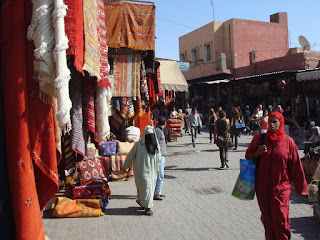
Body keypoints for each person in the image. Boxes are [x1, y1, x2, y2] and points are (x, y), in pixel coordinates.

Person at [245, 111, 308, 239]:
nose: (272, 125)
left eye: (275, 121)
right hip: (262, 188)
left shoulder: (288, 142)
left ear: (281, 123)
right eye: (270, 121)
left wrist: (302, 188)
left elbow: (296, 166)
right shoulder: (259, 139)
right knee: (267, 219)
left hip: (281, 189)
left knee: (280, 220)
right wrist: (257, 152)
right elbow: (248, 157)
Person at [123, 125, 162, 216]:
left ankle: (147, 206)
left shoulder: (156, 146)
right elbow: (130, 155)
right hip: (141, 172)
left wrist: (158, 170)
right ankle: (145, 206)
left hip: (151, 172)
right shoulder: (138, 145)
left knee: (148, 189)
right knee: (144, 189)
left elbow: (159, 159)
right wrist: (126, 166)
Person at [154, 116, 168, 201]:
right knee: (160, 174)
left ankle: (158, 191)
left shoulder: (159, 131)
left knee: (160, 174)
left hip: (161, 154)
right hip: (160, 155)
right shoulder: (158, 131)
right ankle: (157, 193)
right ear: (165, 123)